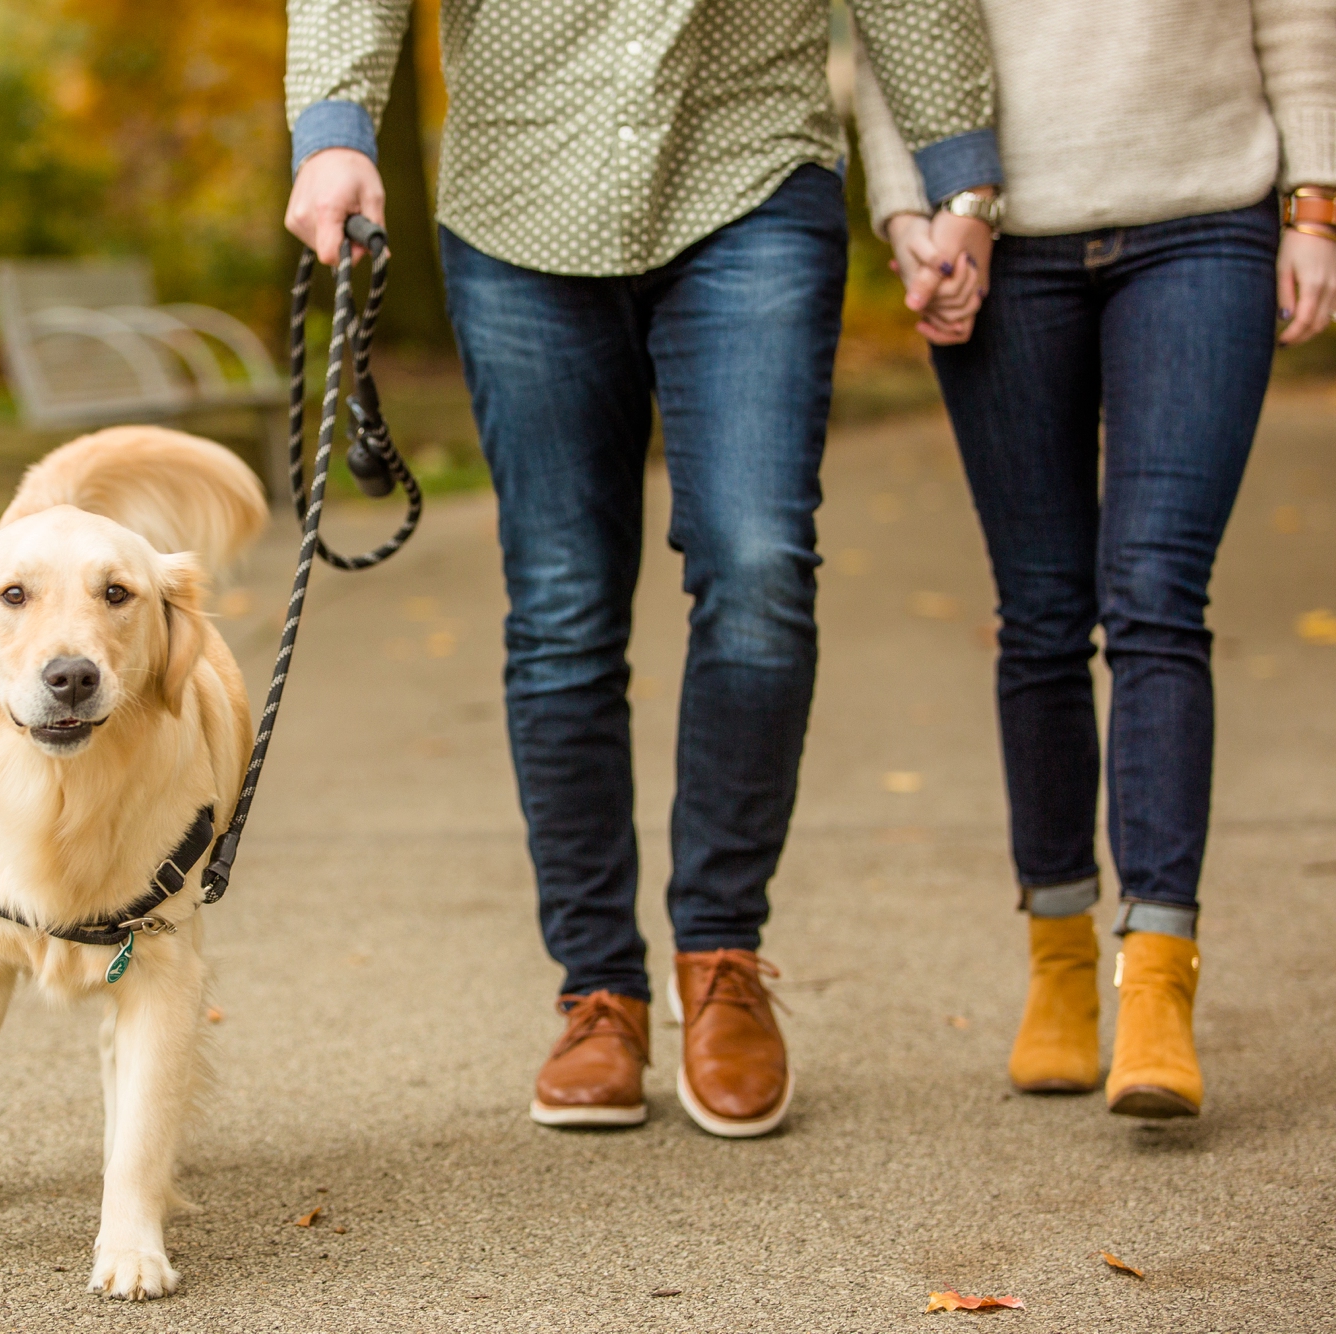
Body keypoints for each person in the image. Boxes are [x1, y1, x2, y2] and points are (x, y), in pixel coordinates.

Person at [283, 0, 1000, 1137]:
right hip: (517, 189)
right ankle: (597, 990)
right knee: (563, 606)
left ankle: (720, 956)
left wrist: (957, 176)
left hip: (747, 173)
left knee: (757, 561)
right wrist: (334, 125)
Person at [855, 0, 1336, 1118]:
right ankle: (1058, 960)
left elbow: (1295, 12)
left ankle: (1156, 983)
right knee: (1037, 614)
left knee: (1155, 596)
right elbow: (896, 32)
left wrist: (1314, 205)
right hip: (994, 238)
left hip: (1203, 223)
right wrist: (905, 214)